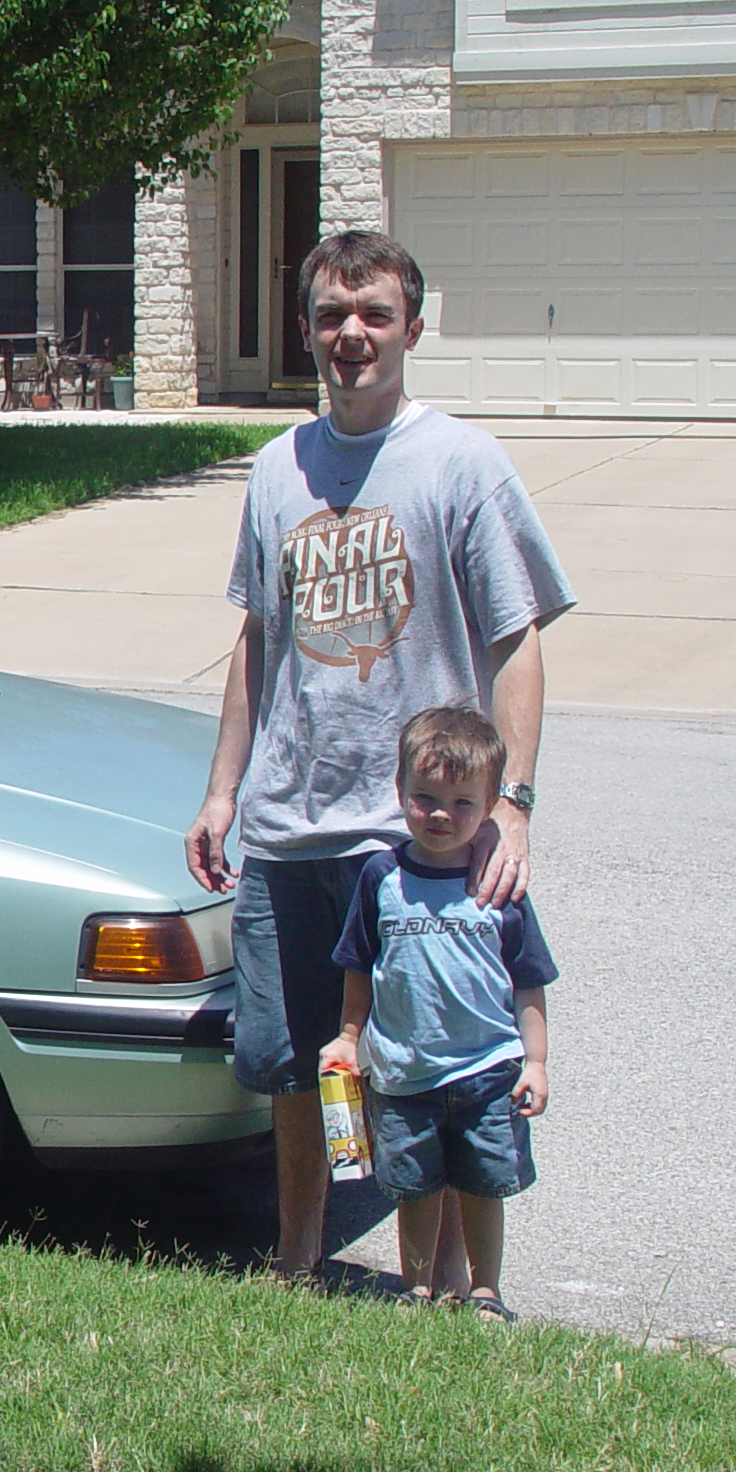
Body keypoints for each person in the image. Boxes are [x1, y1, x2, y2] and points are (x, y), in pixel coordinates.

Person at [183, 229, 573, 1286]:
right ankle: (300, 1257)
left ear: (410, 325)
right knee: (297, 1063)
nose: (349, 335)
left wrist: (515, 806)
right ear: (305, 328)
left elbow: (518, 635)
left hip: (407, 836)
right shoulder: (276, 469)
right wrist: (222, 790)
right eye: (329, 316)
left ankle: (444, 1285)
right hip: (284, 826)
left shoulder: (461, 463)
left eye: (373, 315)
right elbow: (258, 637)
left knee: (428, 1065)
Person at [320, 707, 554, 1319]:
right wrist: (348, 1038)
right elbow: (359, 966)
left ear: (488, 806)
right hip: (404, 1072)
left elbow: (529, 983)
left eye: (462, 802)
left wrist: (536, 1062)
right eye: (424, 798)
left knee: (483, 1186)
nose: (442, 815)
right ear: (399, 793)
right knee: (413, 1187)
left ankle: (486, 1291)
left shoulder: (499, 885)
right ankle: (416, 1288)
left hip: (488, 1071)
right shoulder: (382, 877)